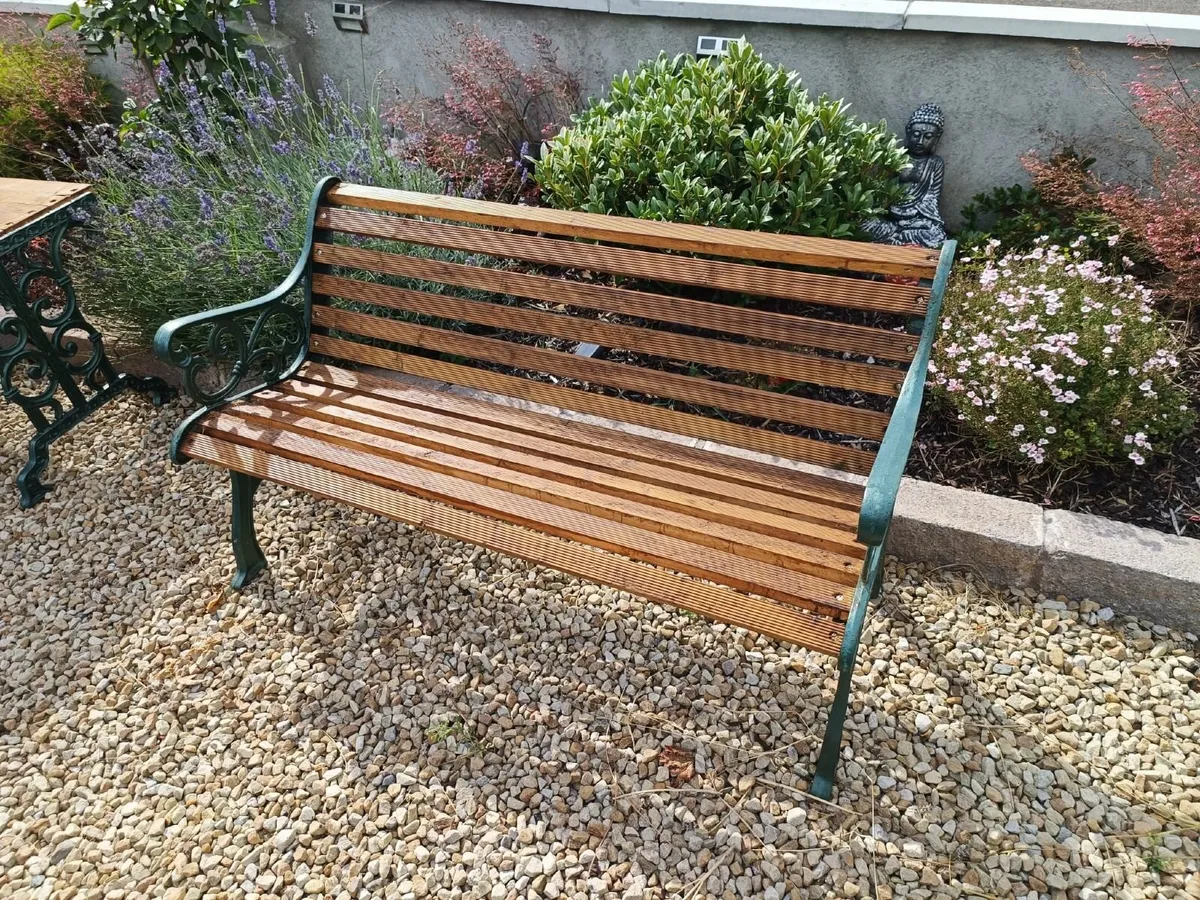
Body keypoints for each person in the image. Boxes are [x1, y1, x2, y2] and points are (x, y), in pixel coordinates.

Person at [863, 103, 947, 248]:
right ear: (908, 132)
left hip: (917, 219)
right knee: (866, 225)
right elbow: (882, 192)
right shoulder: (896, 157)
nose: (920, 141)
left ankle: (896, 240)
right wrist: (893, 213)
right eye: (916, 135)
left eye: (928, 137)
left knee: (935, 234)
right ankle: (898, 239)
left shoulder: (935, 163)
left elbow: (932, 197)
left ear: (936, 138)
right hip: (891, 217)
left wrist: (912, 218)